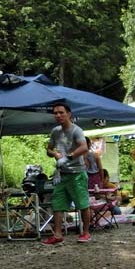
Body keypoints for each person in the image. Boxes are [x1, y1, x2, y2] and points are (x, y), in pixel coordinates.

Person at [43, 102, 91, 244]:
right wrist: (55, 154)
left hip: (77, 173)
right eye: (55, 113)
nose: (58, 115)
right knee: (57, 203)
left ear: (68, 114)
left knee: (82, 203)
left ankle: (86, 232)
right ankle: (57, 235)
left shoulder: (77, 130)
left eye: (61, 112)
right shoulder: (55, 131)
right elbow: (48, 149)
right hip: (61, 174)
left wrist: (68, 157)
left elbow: (84, 147)